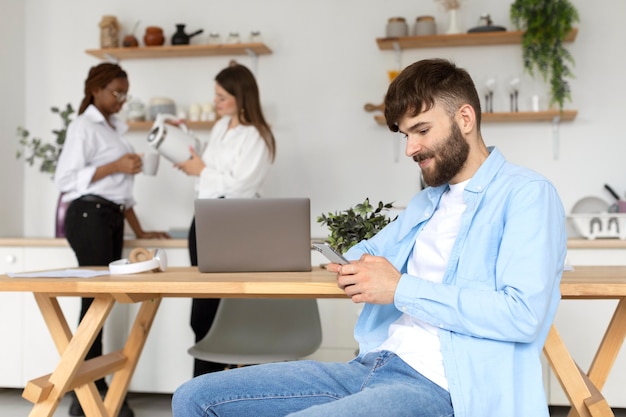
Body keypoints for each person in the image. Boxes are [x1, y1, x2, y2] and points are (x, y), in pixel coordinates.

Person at [171, 58, 567, 417]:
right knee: (193, 398)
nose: (411, 147)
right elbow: (368, 252)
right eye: (405, 135)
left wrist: (399, 288)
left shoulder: (526, 194)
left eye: (422, 130)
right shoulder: (427, 203)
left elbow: (522, 316)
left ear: (465, 118)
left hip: (443, 386)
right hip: (372, 365)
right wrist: (345, 261)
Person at [55, 62, 169, 417]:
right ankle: (85, 394)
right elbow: (66, 180)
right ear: (95, 90)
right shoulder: (83, 127)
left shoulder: (114, 128)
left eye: (125, 93)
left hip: (109, 217)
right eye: (116, 92)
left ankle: (97, 389)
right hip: (88, 216)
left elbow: (119, 194)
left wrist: (140, 229)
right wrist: (116, 166)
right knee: (94, 300)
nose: (121, 99)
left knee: (100, 300)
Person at [175, 61, 276, 377]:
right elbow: (211, 172)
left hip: (233, 226)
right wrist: (190, 153)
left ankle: (224, 390)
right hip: (204, 220)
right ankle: (201, 391)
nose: (216, 103)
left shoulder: (256, 136)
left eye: (221, 97)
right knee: (202, 311)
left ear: (240, 96)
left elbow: (241, 185)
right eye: (215, 96)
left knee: (225, 311)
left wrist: (201, 170)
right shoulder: (220, 128)